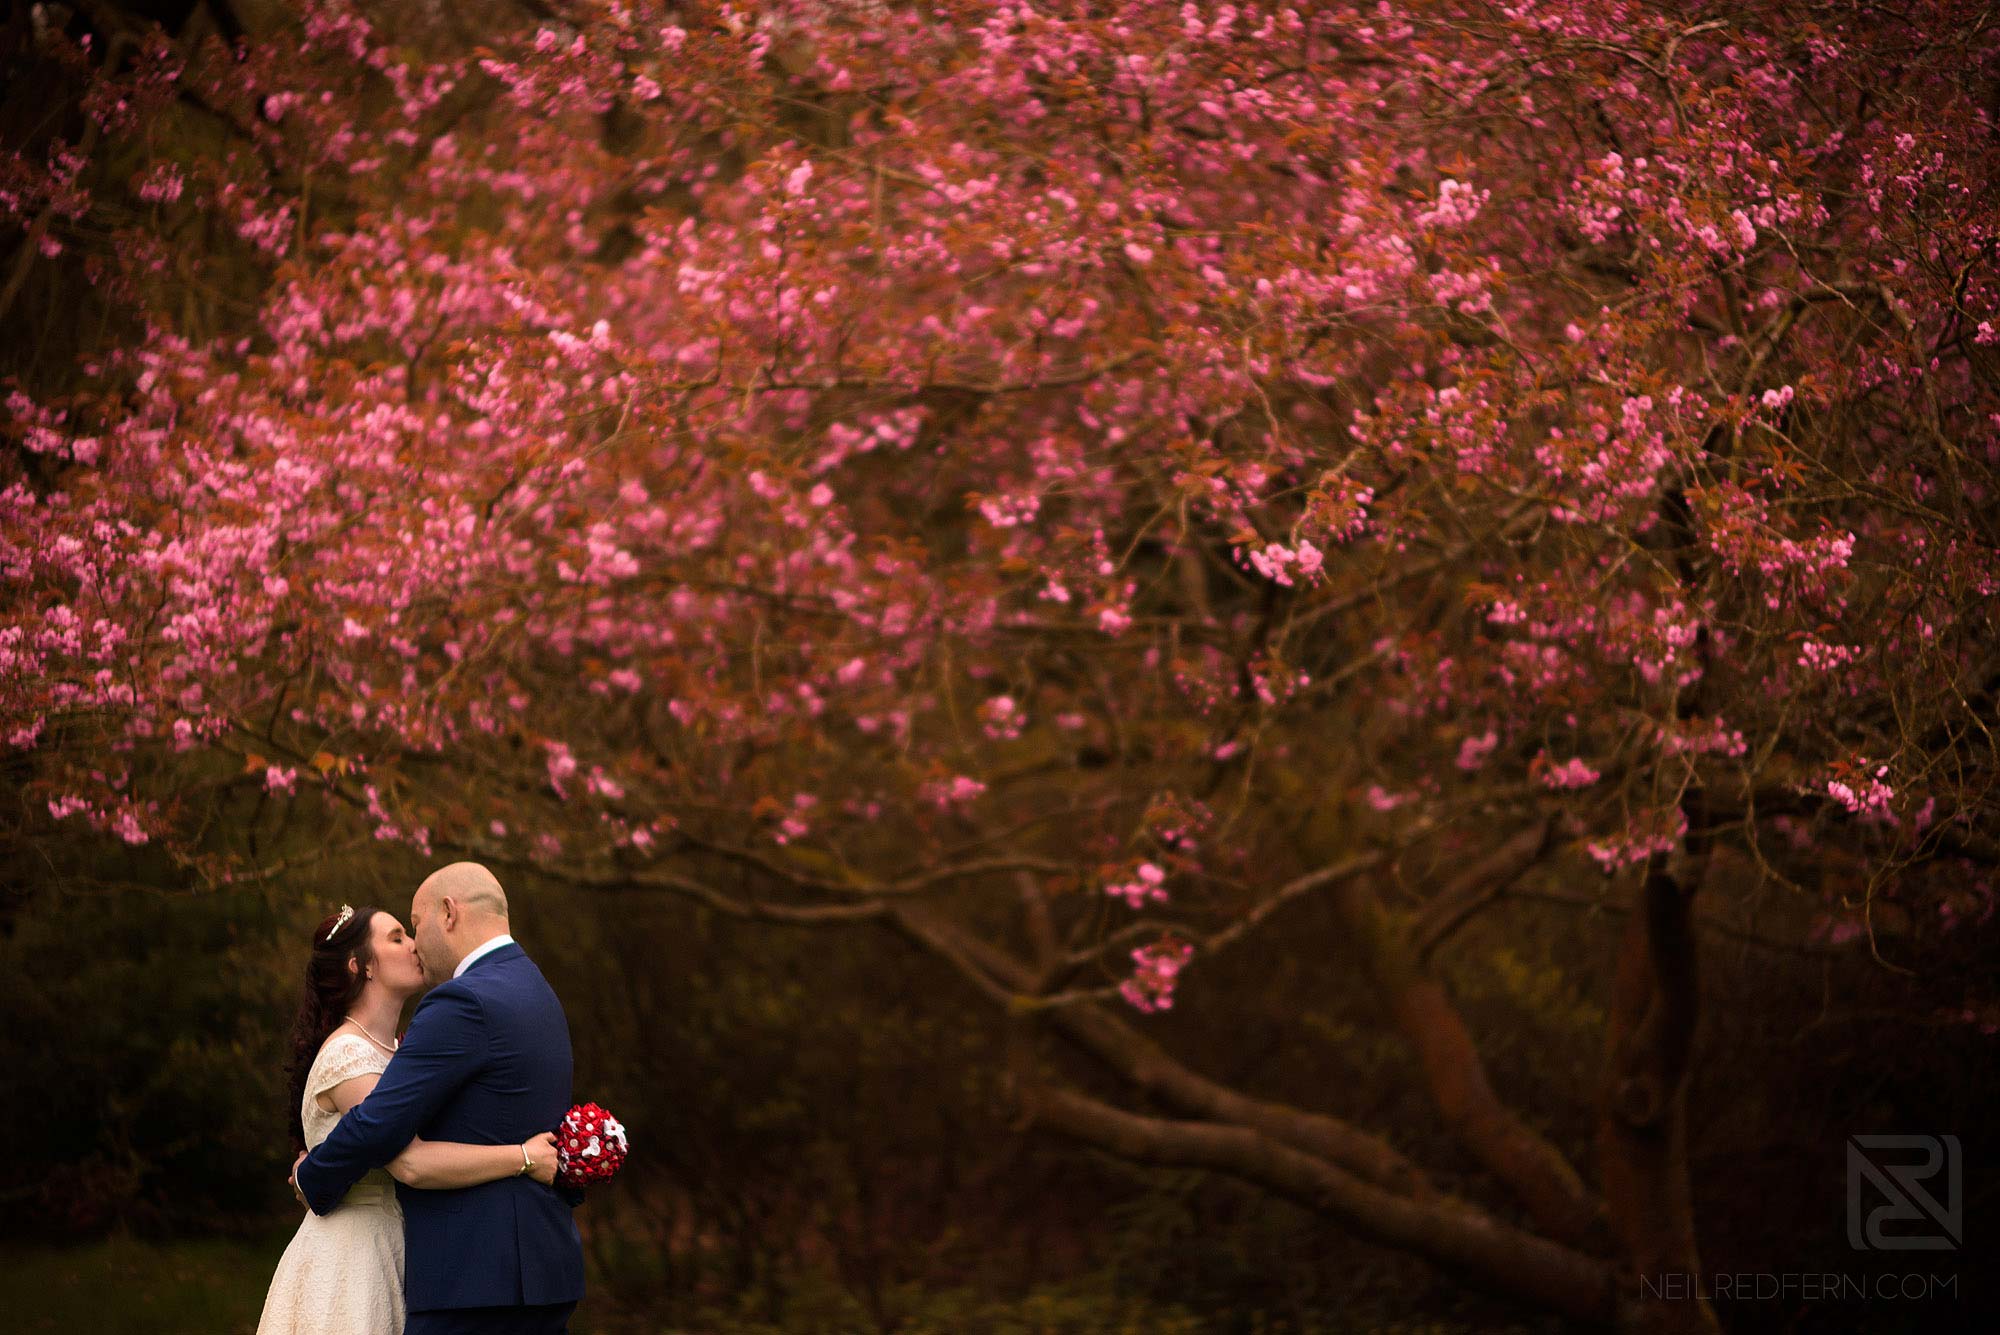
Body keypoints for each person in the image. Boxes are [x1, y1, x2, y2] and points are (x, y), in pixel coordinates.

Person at [291, 863, 586, 1334]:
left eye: (416, 923)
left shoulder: (463, 1001)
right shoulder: (538, 990)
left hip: (475, 1280)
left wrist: (312, 1174)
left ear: (448, 913)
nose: (414, 942)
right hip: (543, 1271)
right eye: (399, 935)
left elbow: (381, 1129)